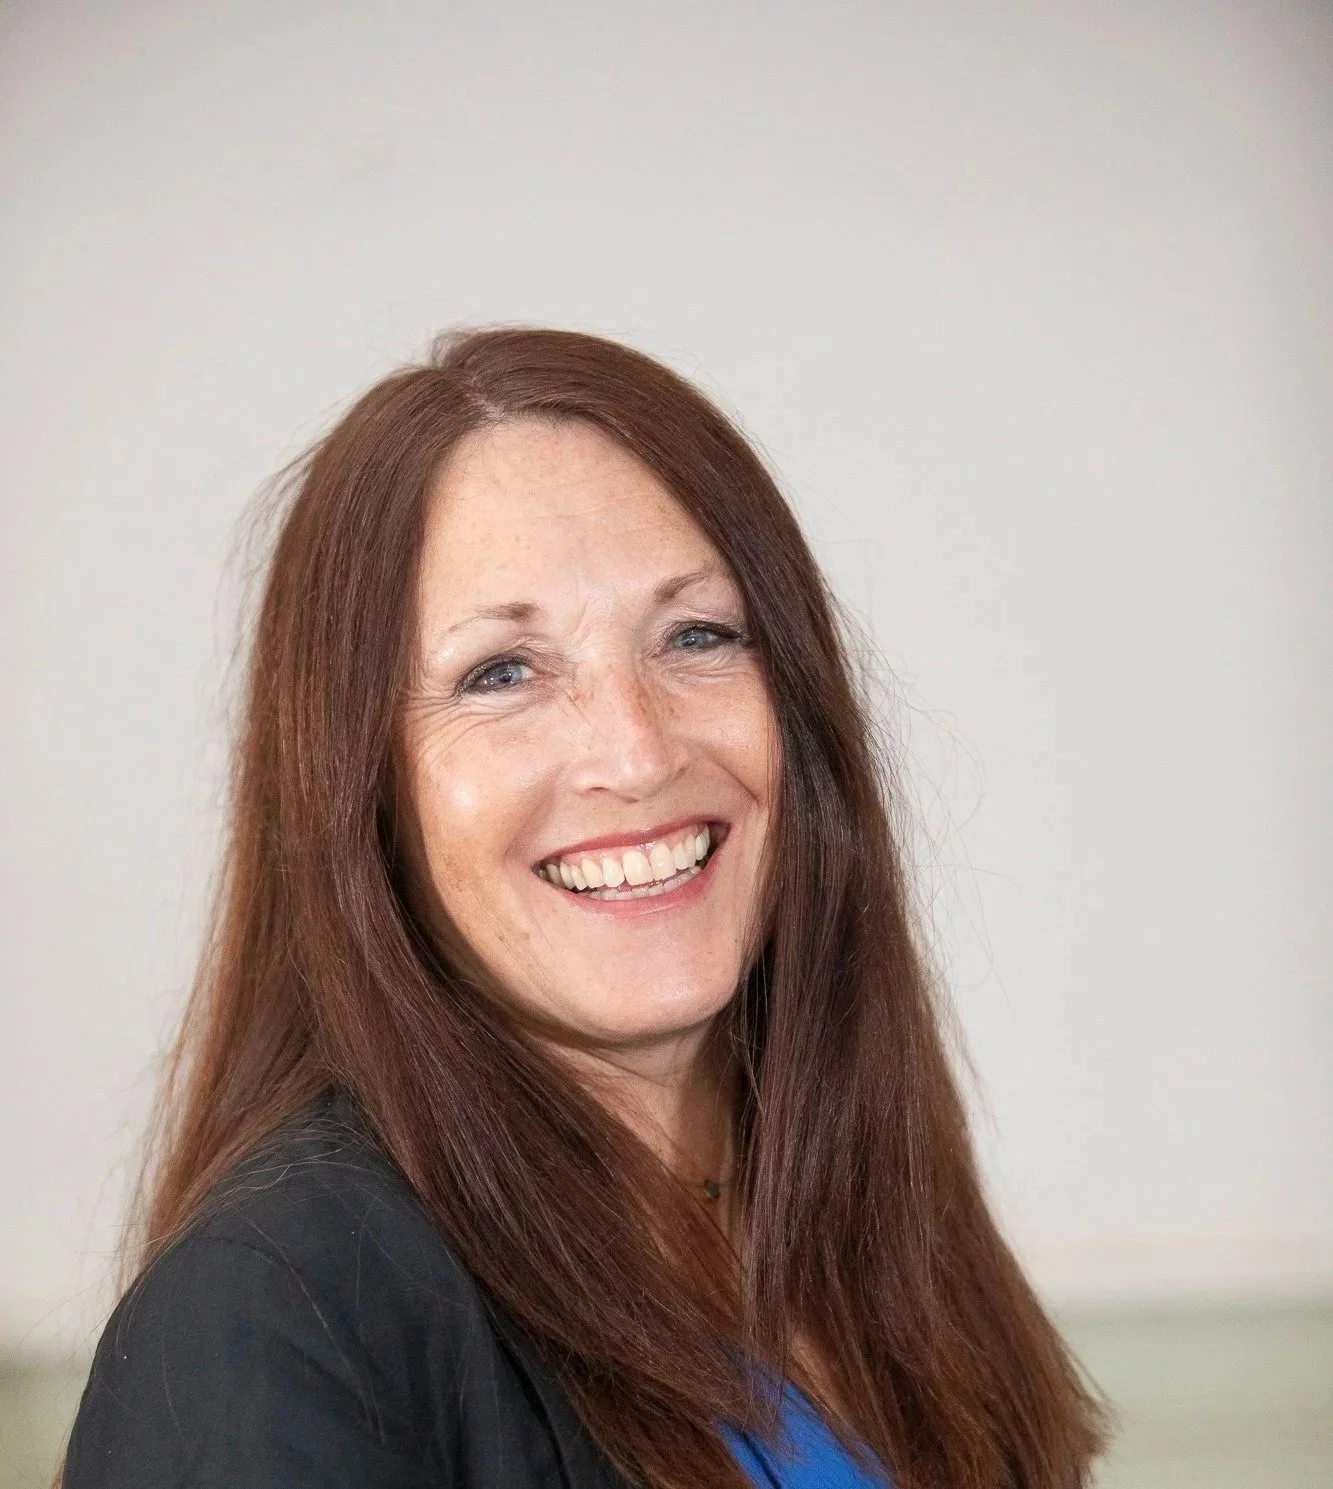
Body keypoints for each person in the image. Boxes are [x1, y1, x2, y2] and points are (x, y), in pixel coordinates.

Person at [63, 328, 1105, 1488]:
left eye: (695, 635)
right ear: (360, 788)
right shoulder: (276, 1310)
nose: (637, 750)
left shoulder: (865, 1222)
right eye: (502, 671)